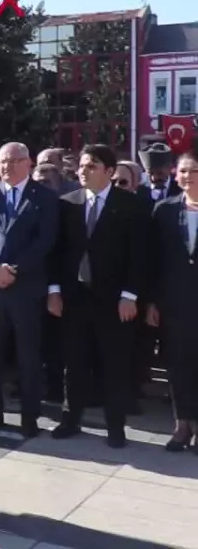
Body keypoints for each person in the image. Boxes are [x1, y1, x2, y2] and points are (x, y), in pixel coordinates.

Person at [47, 144, 147, 448]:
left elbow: (139, 256)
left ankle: (115, 426)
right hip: (75, 296)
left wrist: (130, 295)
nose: (83, 171)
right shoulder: (68, 203)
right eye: (81, 165)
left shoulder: (130, 205)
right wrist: (54, 291)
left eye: (91, 166)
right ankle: (70, 417)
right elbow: (57, 252)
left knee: (113, 363)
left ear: (109, 171)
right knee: (74, 361)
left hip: (114, 299)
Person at [0, 142, 59, 438]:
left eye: (13, 161)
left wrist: (13, 270)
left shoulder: (44, 196)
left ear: (27, 163)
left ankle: (29, 417)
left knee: (28, 354)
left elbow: (45, 241)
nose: (6, 166)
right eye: (2, 161)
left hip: (26, 287)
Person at [146, 151, 198, 452]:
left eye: (193, 171)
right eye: (183, 171)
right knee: (178, 365)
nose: (187, 176)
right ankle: (182, 424)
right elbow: (152, 260)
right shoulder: (164, 210)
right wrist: (152, 302)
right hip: (174, 302)